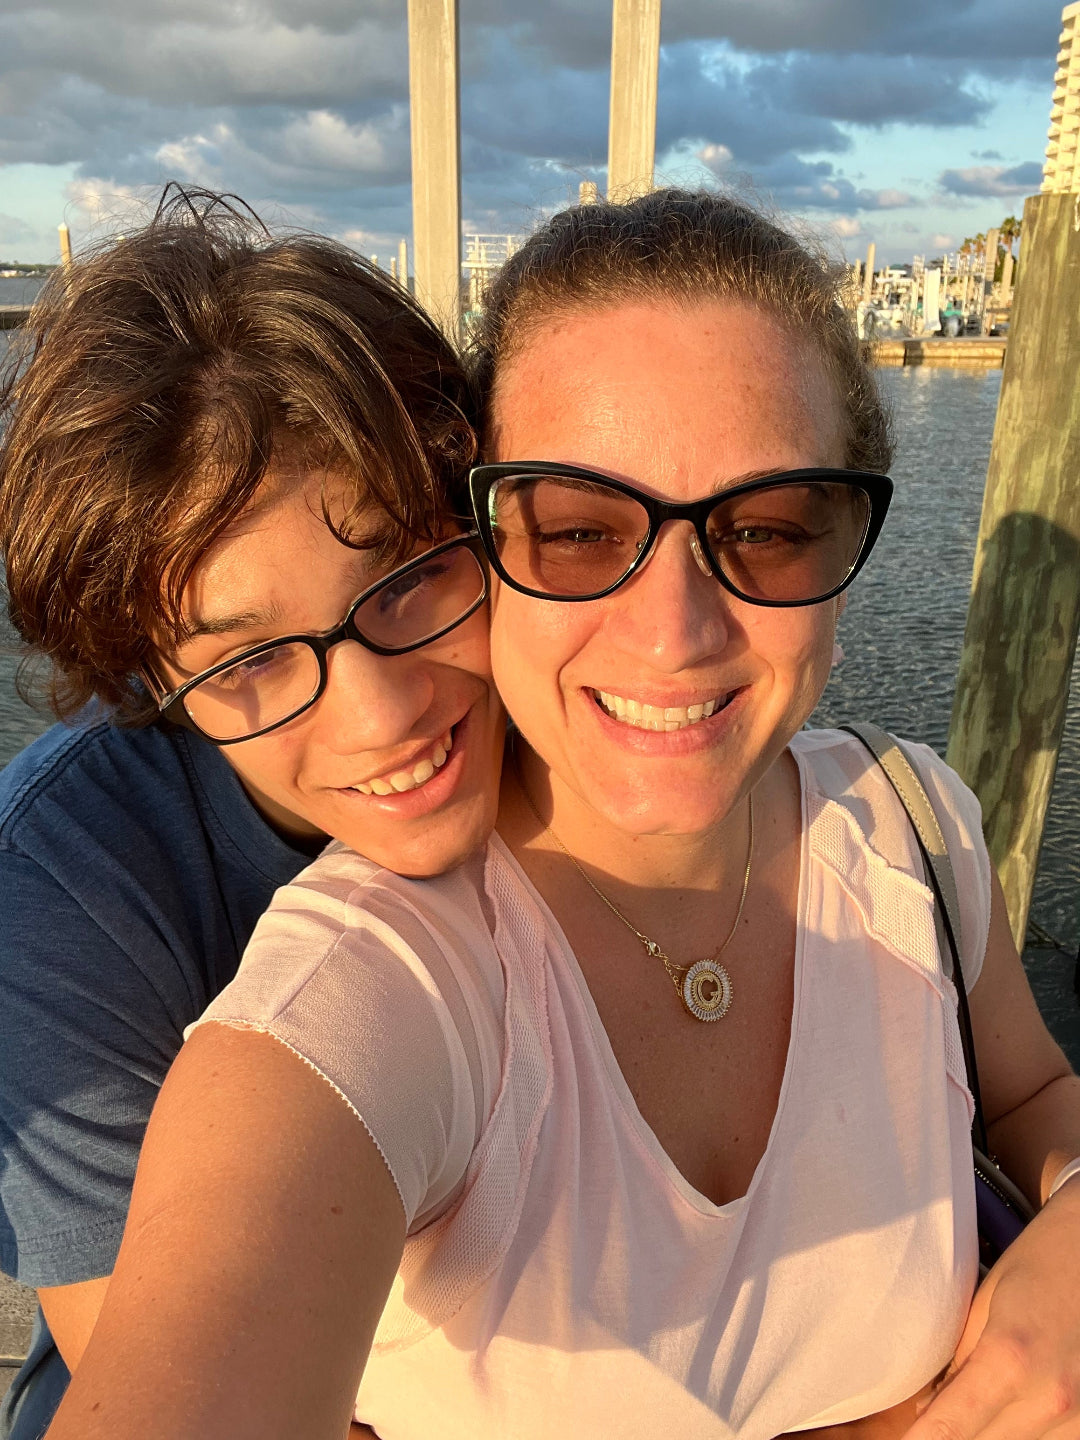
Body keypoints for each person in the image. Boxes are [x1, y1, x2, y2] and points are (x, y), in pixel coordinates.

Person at [43, 191, 1080, 1439]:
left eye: (768, 530)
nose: (675, 631)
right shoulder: (365, 979)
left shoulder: (914, 820)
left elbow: (1027, 1097)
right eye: (583, 533)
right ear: (500, 526)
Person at [0, 186, 505, 1439]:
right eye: (246, 663)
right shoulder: (58, 891)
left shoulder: (575, 716)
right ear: (147, 681)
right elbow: (156, 1365)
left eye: (409, 574)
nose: (381, 713)